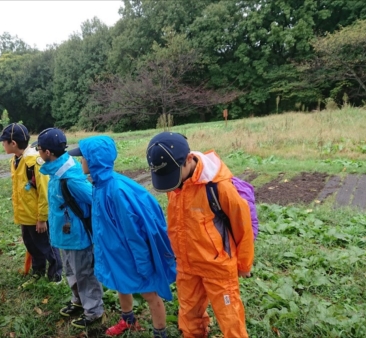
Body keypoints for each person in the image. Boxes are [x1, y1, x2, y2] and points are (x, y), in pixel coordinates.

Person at [146, 132, 254, 338]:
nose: (171, 183)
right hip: (186, 266)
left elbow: (243, 224)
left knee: (230, 319)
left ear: (188, 159)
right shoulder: (174, 186)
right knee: (188, 314)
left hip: (218, 267)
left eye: (172, 175)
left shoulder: (219, 187)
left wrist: (244, 264)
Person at [68, 135, 176, 338]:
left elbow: (134, 234)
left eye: (83, 158)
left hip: (132, 255)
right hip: (116, 253)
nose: (80, 161)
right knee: (120, 283)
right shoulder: (100, 185)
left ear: (94, 160)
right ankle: (128, 320)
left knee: (149, 292)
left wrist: (143, 265)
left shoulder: (115, 190)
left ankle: (160, 332)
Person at [35, 128, 104, 329]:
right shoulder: (56, 169)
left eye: (39, 149)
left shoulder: (70, 177)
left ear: (48, 152)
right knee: (71, 271)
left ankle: (94, 312)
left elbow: (95, 199)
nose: (38, 152)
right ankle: (78, 301)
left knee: (85, 275)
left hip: (78, 238)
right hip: (63, 237)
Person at [0, 123, 62, 287]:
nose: (2, 144)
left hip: (37, 217)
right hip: (25, 215)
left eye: (3, 141)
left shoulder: (34, 162)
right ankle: (37, 272)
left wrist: (42, 218)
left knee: (47, 247)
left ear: (13, 143)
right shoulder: (15, 160)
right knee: (32, 245)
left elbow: (44, 192)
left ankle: (55, 276)